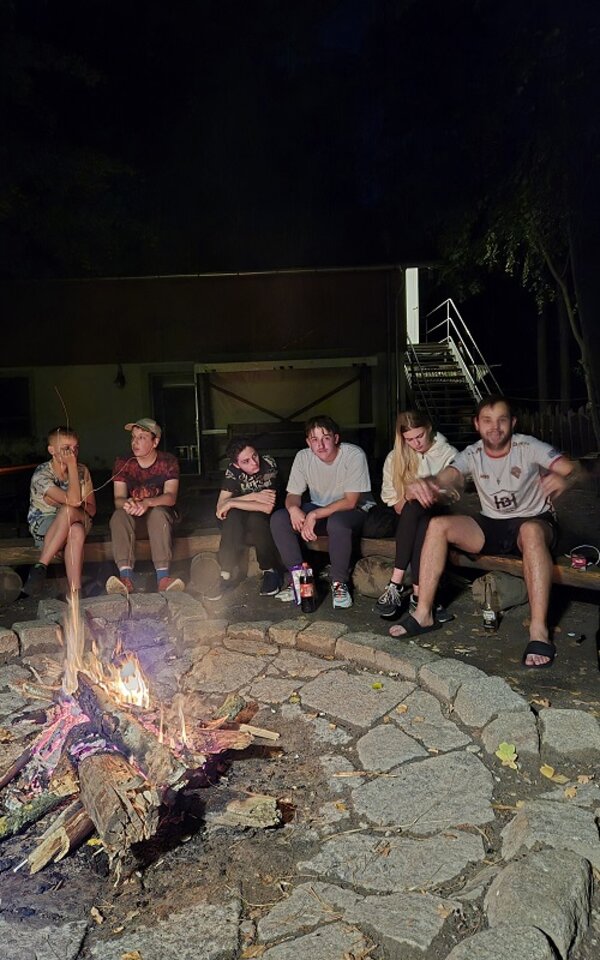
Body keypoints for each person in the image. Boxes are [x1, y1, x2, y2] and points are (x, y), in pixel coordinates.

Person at [388, 395, 576, 669]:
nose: (494, 427)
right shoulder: (472, 453)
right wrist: (428, 484)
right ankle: (423, 614)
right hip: (492, 524)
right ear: (477, 424)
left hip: (533, 521)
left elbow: (573, 469)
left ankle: (539, 631)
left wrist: (564, 477)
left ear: (512, 423)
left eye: (502, 420)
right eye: (487, 420)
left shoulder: (528, 446)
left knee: (531, 531)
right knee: (438, 525)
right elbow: (450, 475)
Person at [270, 415, 372, 609]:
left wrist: (314, 515)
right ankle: (299, 581)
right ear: (308, 442)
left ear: (336, 438)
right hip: (319, 507)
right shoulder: (303, 457)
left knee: (337, 522)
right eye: (314, 439)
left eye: (326, 438)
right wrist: (293, 509)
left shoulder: (353, 455)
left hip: (354, 511)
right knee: (280, 518)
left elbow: (350, 501)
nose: (321, 445)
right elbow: (293, 494)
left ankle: (339, 582)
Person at [375, 411, 457, 619]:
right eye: (409, 439)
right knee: (416, 513)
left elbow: (454, 497)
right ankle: (419, 597)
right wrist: (411, 495)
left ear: (428, 429)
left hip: (442, 517)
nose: (416, 443)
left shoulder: (448, 454)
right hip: (409, 518)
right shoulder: (395, 457)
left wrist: (428, 492)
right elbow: (396, 505)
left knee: (425, 517)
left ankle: (396, 583)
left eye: (419, 436)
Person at [106, 417, 184, 595]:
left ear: (155, 442)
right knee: (119, 515)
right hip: (136, 519)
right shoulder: (123, 462)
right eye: (133, 437)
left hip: (161, 521)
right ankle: (126, 578)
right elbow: (118, 499)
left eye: (141, 437)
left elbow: (170, 497)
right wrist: (128, 503)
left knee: (157, 514)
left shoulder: (168, 461)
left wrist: (147, 502)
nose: (135, 442)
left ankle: (163, 579)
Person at [24, 426, 96, 597]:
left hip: (79, 517)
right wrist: (72, 503)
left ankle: (41, 566)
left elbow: (91, 509)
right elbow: (76, 501)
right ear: (52, 450)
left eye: (75, 448)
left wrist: (68, 503)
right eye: (66, 448)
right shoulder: (42, 474)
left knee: (68, 510)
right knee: (75, 529)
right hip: (45, 525)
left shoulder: (82, 470)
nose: (72, 453)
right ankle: (76, 592)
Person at [215, 437, 283, 596]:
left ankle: (269, 569)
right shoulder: (232, 471)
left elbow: (266, 507)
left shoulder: (268, 464)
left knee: (256, 519)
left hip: (265, 516)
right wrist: (254, 496)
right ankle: (225, 573)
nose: (254, 463)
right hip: (241, 516)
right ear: (237, 465)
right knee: (232, 517)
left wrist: (232, 502)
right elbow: (220, 508)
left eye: (254, 455)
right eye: (246, 461)